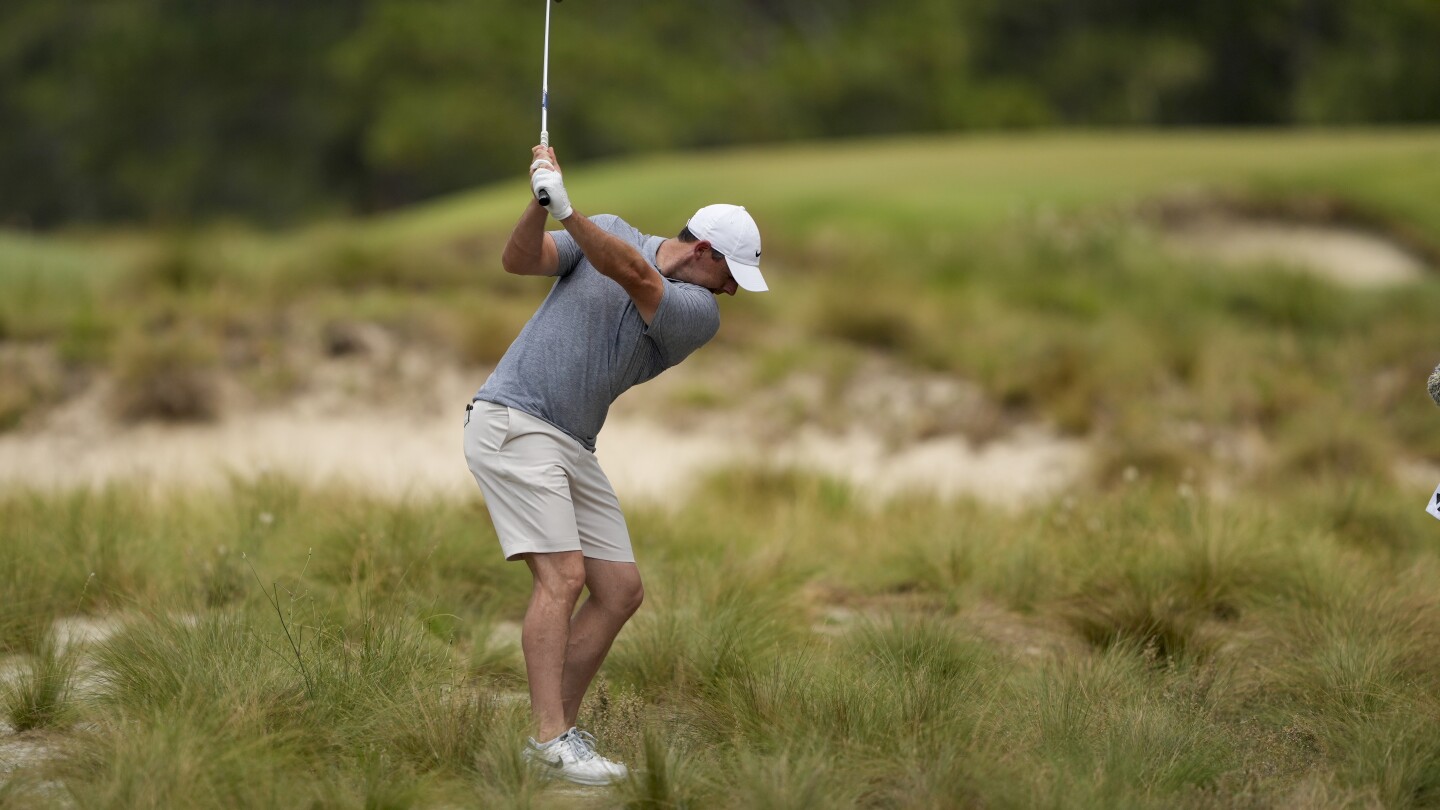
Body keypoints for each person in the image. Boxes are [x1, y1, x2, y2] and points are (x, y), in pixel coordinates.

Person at [462, 144, 767, 785]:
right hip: (514, 419)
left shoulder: (696, 312)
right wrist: (539, 200)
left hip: (572, 441)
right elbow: (520, 260)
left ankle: (551, 740)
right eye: (732, 271)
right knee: (563, 578)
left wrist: (568, 211)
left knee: (621, 590)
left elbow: (635, 275)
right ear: (704, 250)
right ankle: (552, 740)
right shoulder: (614, 233)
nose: (735, 290)